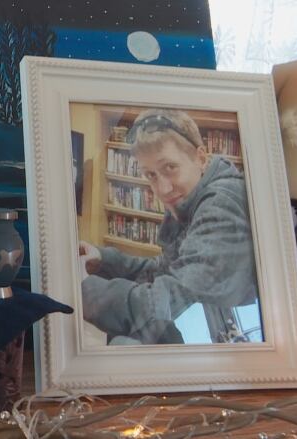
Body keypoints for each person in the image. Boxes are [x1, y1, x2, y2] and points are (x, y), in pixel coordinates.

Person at [80, 109, 259, 345]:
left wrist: (82, 289)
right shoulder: (189, 199)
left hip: (229, 342)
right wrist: (104, 259)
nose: (162, 189)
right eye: (151, 175)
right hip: (208, 324)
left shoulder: (221, 205)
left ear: (201, 158)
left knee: (123, 346)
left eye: (170, 168)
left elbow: (166, 301)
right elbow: (165, 269)